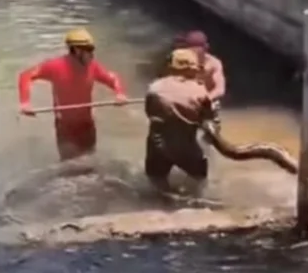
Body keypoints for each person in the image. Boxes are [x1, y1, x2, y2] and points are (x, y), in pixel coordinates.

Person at [19, 28, 128, 161]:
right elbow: (26, 76)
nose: (92, 54)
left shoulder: (93, 66)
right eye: (89, 50)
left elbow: (112, 78)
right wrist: (25, 102)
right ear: (76, 50)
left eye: (92, 49)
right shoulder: (54, 66)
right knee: (69, 164)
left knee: (90, 160)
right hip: (65, 126)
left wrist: (120, 93)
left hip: (86, 123)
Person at [144, 48, 215, 191]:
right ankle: (191, 201)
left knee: (156, 179)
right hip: (186, 146)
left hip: (158, 144)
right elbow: (207, 121)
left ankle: (160, 199)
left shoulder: (155, 88)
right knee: (199, 177)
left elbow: (149, 112)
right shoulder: (200, 92)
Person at [173, 30, 226, 131]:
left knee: (212, 128)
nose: (194, 56)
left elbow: (220, 89)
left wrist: (207, 99)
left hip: (208, 101)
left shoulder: (214, 64)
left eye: (197, 52)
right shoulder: (181, 63)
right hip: (187, 100)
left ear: (206, 48)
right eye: (191, 52)